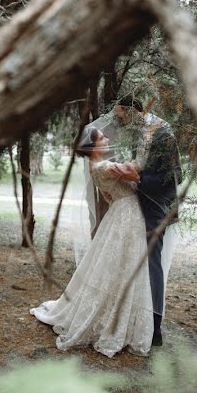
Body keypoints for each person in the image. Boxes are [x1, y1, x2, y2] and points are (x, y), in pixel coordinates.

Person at [29, 126, 154, 357]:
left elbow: (110, 193)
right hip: (127, 216)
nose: (107, 139)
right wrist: (147, 140)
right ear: (93, 145)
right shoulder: (104, 166)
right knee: (124, 268)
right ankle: (115, 324)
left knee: (117, 268)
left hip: (122, 214)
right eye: (102, 137)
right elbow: (135, 171)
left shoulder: (94, 168)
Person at [110, 96, 182, 347]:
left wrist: (137, 180)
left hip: (156, 209)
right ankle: (134, 319)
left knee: (152, 265)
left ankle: (155, 328)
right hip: (137, 202)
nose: (119, 123)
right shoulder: (140, 131)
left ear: (133, 112)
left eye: (121, 117)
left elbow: (174, 176)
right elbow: (142, 165)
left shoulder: (162, 133)